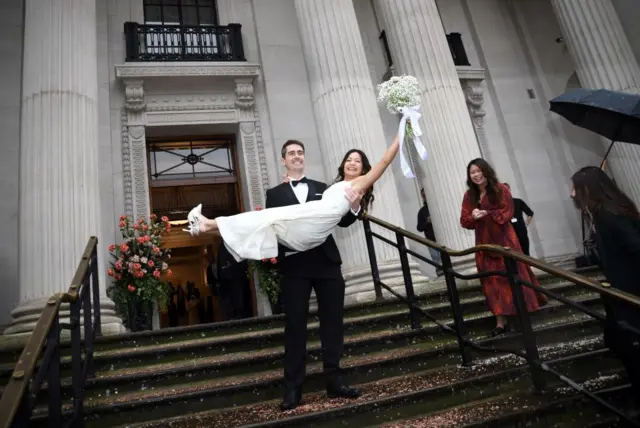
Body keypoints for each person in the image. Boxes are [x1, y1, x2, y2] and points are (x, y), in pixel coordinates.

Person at [185, 136, 399, 410]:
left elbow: (343, 220)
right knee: (295, 327)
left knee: (332, 324)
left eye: (300, 152)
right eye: (292, 153)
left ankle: (334, 382)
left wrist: (356, 206)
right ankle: (293, 389)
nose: (297, 156)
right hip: (295, 267)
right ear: (283, 160)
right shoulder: (275, 194)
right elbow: (272, 225)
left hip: (326, 264)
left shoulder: (325, 187)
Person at [570, 166, 640, 395]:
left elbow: (635, 247)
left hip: (629, 290)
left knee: (626, 345)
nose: (572, 194)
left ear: (587, 189)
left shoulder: (608, 215)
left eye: (575, 189)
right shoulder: (607, 212)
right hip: (623, 289)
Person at [460, 158, 547, 336]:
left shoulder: (500, 189)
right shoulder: (470, 196)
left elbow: (507, 213)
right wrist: (474, 216)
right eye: (472, 172)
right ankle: (500, 322)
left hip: (505, 241)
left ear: (486, 171)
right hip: (484, 243)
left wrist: (488, 213)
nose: (476, 175)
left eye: (478, 171)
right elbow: (464, 220)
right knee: (492, 282)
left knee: (512, 278)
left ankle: (521, 315)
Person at [416, 188, 442, 275]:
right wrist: (427, 222)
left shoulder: (439, 205)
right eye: (423, 195)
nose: (425, 197)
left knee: (446, 260)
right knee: (436, 262)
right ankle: (441, 277)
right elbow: (419, 228)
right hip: (431, 240)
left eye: (426, 194)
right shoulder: (422, 211)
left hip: (443, 238)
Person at [503, 183, 534, 256]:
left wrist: (526, 224)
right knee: (514, 252)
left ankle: (528, 265)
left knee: (525, 250)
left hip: (521, 230)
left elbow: (530, 213)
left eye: (507, 189)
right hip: (509, 232)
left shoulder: (518, 201)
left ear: (509, 190)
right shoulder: (501, 205)